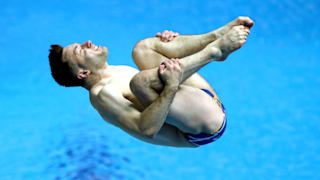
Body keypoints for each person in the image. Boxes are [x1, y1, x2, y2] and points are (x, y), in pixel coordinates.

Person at [48, 16, 254, 147]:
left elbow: (164, 78)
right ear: (83, 73)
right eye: (80, 50)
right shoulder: (102, 95)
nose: (88, 43)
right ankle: (215, 51)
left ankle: (216, 36)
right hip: (203, 127)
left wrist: (169, 45)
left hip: (204, 98)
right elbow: (147, 129)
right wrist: (171, 86)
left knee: (143, 48)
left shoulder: (114, 70)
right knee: (141, 82)